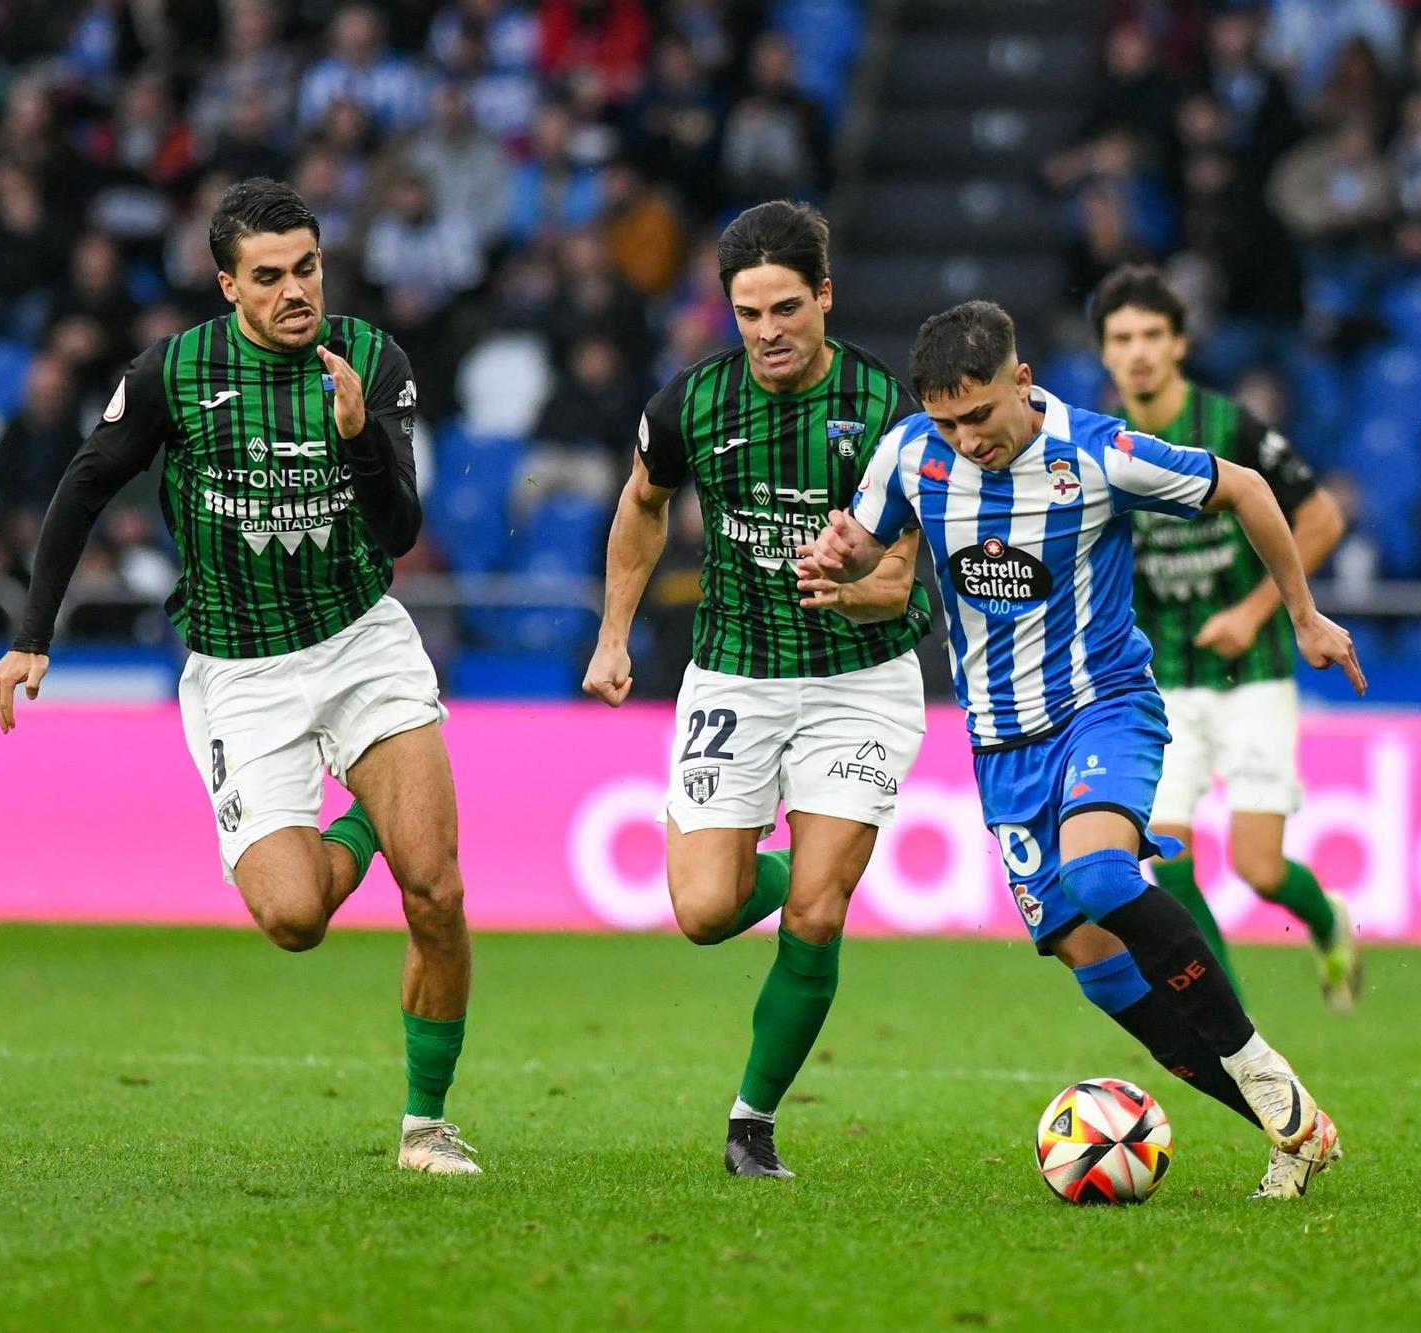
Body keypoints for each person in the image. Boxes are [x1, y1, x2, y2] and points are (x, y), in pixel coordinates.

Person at [800, 301, 1366, 1199]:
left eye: (980, 414)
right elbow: (869, 549)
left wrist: (1301, 613)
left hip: (1104, 710)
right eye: (948, 420)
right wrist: (838, 560)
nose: (967, 438)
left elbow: (1250, 488)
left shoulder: (1099, 454)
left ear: (1022, 381)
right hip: (1001, 748)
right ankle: (1289, 1123)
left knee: (1103, 876)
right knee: (1104, 979)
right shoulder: (913, 451)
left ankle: (1260, 1063)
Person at [0, 178, 478, 1175]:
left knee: (437, 889)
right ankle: (371, 814)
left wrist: (358, 438)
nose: (296, 291)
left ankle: (426, 1125)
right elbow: (83, 483)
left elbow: (401, 529)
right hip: (239, 667)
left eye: (308, 268)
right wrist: (34, 632)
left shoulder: (372, 360)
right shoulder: (177, 370)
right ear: (227, 285)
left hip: (360, 640)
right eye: (270, 276)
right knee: (294, 918)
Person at [583, 201, 932, 1180]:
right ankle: (785, 872)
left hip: (859, 679)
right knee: (704, 909)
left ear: (824, 295)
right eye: (748, 314)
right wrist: (614, 635)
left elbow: (901, 585)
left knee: (817, 913)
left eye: (786, 307)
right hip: (733, 668)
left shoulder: (887, 412)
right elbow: (642, 503)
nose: (768, 331)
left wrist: (847, 585)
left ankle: (751, 1122)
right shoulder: (689, 403)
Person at [1090, 264, 1361, 1010]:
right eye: (1122, 339)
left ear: (1178, 344)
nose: (1138, 351)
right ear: (1104, 354)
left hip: (1252, 676)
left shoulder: (1229, 426)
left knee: (1259, 868)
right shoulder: (1096, 444)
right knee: (1168, 863)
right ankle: (1234, 1028)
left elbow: (1323, 519)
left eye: (1152, 335)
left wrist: (1251, 611)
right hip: (1157, 682)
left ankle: (1326, 918)